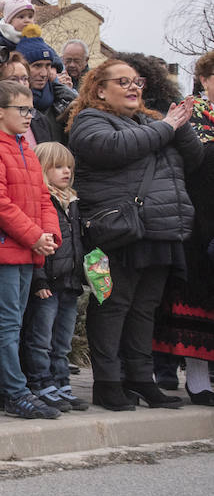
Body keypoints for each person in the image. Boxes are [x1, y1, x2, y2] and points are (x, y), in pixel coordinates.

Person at [67, 59, 201, 410]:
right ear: (99, 89)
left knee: (145, 308)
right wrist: (167, 126)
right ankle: (108, 383)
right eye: (122, 81)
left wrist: (180, 125)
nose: (133, 87)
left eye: (137, 82)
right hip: (117, 232)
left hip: (158, 229)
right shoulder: (88, 121)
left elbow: (194, 158)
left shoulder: (152, 121)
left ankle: (141, 379)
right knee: (111, 304)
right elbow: (115, 148)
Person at [0, 80, 64, 420]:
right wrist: (33, 236)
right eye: (22, 110)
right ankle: (13, 392)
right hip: (5, 251)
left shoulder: (23, 147)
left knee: (18, 323)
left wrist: (49, 234)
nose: (29, 116)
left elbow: (43, 196)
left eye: (31, 109)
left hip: (26, 248)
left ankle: (14, 389)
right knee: (8, 324)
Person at [154, 52, 214, 404]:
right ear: (204, 79)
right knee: (195, 297)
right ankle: (196, 377)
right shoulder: (193, 116)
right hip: (198, 217)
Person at [25, 142, 91, 411]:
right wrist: (38, 279)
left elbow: (78, 243)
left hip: (70, 283)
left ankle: (61, 381)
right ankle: (40, 382)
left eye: (69, 167)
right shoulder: (41, 199)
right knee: (40, 338)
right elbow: (37, 243)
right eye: (58, 167)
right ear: (42, 169)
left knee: (62, 340)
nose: (66, 172)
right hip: (48, 284)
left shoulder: (73, 202)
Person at [16, 34, 76, 143]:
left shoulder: (60, 101)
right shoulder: (11, 106)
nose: (44, 73)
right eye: (37, 66)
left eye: (48, 65)